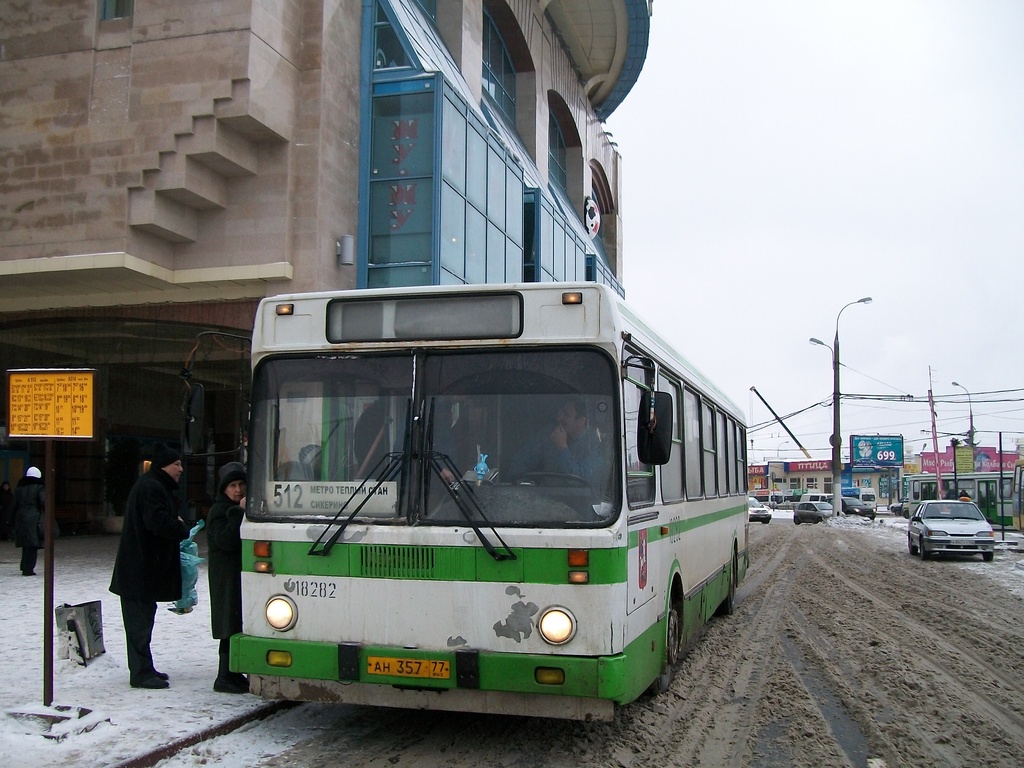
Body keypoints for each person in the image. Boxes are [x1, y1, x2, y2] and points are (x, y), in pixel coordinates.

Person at [109, 444, 190, 690]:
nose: (181, 469)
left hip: (141, 571)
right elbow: (157, 522)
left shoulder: (153, 485)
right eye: (177, 464)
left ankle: (145, 668)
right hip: (139, 571)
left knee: (142, 621)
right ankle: (141, 673)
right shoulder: (152, 487)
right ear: (165, 465)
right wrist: (180, 527)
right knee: (139, 624)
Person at [206, 461, 249, 694]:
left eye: (241, 483)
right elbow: (226, 540)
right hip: (226, 577)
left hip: (236, 575)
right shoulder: (220, 511)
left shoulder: (233, 508)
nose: (238, 489)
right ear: (224, 489)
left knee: (235, 621)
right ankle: (224, 676)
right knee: (228, 623)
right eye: (232, 485)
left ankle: (233, 673)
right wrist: (238, 513)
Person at [508, 397, 604, 486]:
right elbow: (522, 460)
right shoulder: (548, 433)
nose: (559, 418)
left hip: (579, 501)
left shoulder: (594, 443)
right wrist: (519, 484)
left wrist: (562, 447)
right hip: (546, 499)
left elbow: (580, 479)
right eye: (560, 412)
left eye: (566, 414)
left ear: (581, 421)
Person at [12, 467, 45, 576]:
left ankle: (24, 565)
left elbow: (14, 504)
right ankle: (28, 569)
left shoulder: (19, 487)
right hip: (33, 516)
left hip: (21, 516)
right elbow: (43, 501)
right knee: (32, 544)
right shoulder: (39, 487)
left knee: (26, 543)